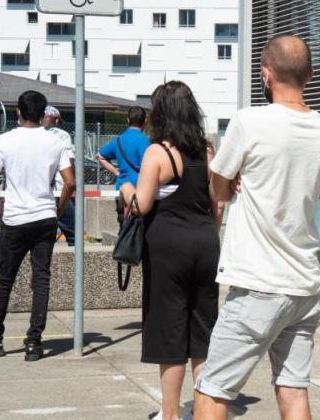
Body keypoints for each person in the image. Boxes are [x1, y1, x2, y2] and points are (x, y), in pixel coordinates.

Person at [193, 35, 320, 420]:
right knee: (293, 390)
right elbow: (312, 188)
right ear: (310, 75)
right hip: (304, 284)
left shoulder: (248, 121)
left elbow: (219, 189)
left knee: (212, 391)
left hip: (258, 283)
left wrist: (239, 177)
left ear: (266, 73)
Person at [120, 82, 223, 420]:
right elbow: (217, 206)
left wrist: (125, 189)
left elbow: (142, 204)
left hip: (167, 249)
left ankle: (170, 414)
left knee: (169, 330)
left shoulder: (158, 153)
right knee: (202, 329)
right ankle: (204, 409)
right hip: (206, 243)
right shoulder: (206, 152)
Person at [0, 91, 75, 362]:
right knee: (41, 279)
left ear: (18, 111)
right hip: (44, 217)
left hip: (15, 218)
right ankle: (34, 342)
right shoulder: (55, 142)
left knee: (5, 279)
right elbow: (71, 182)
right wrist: (59, 207)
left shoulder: (4, 140)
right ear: (43, 114)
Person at [97, 106, 151, 226]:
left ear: (128, 120)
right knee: (141, 229)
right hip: (141, 191)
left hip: (121, 190)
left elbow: (100, 156)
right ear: (145, 120)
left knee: (124, 228)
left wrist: (116, 172)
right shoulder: (146, 141)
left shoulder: (118, 140)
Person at [42, 106, 76, 246]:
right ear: (56, 120)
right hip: (58, 187)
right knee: (73, 232)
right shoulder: (62, 135)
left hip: (38, 189)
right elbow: (69, 160)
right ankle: (75, 262)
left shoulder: (33, 134)